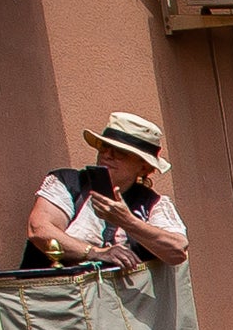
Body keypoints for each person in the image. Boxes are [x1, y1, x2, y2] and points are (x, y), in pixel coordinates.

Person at [33, 113, 191, 273]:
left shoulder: (152, 204)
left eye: (119, 152)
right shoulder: (68, 183)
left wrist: (127, 221)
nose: (107, 155)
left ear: (143, 167)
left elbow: (177, 251)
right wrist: (96, 253)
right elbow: (40, 230)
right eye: (104, 148)